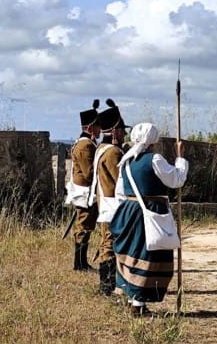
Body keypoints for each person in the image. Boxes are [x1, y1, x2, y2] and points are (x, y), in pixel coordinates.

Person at [111, 123, 188, 315]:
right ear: (153, 141)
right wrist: (180, 157)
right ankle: (138, 305)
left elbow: (120, 191)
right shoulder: (154, 159)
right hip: (148, 212)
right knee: (148, 255)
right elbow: (176, 179)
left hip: (129, 211)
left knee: (133, 253)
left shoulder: (126, 161)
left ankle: (132, 298)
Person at [91, 99, 129, 296]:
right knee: (109, 243)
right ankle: (106, 286)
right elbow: (120, 180)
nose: (124, 134)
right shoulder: (113, 152)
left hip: (105, 203)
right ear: (115, 131)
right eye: (122, 130)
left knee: (107, 241)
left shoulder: (101, 149)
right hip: (113, 204)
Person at [67, 100, 101, 271]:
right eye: (97, 127)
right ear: (89, 128)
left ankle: (81, 262)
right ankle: (79, 264)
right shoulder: (86, 145)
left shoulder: (86, 143)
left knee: (85, 227)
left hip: (85, 191)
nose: (99, 130)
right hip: (85, 192)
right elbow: (89, 173)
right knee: (83, 227)